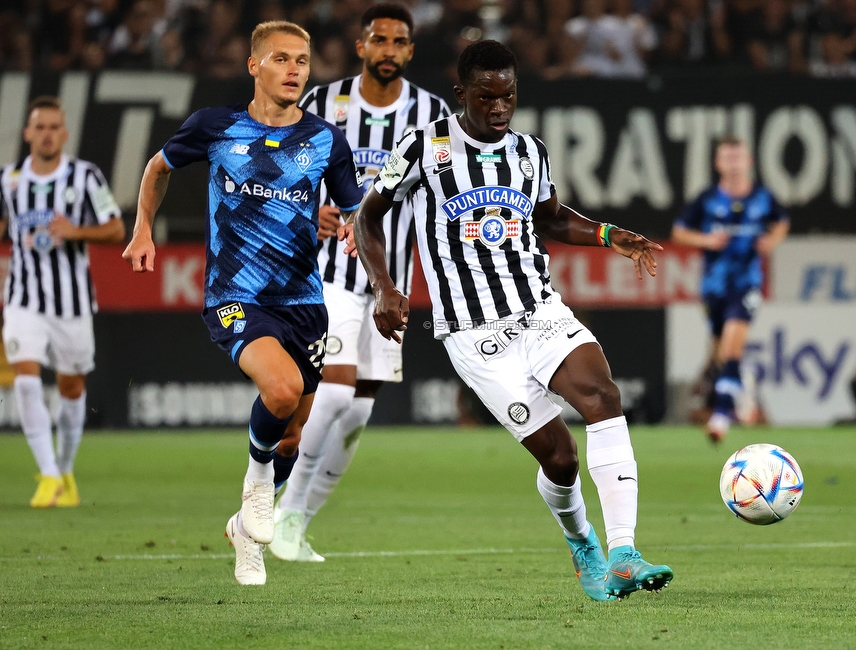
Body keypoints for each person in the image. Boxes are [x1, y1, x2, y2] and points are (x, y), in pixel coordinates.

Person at [353, 40, 672, 602]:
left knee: (603, 396)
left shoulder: (530, 152)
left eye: (509, 97)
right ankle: (583, 544)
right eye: (487, 98)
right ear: (462, 95)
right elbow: (368, 217)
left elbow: (550, 217)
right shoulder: (425, 149)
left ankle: (625, 552)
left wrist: (606, 234)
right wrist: (385, 287)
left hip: (540, 310)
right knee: (561, 457)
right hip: (474, 336)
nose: (500, 108)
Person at [122, 21, 363, 586]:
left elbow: (354, 208)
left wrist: (354, 228)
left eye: (302, 60)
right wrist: (142, 228)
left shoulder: (326, 139)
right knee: (278, 390)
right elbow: (158, 167)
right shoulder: (215, 126)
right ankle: (256, 489)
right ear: (254, 65)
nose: (295, 69)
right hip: (236, 295)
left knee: (296, 434)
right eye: (281, 59)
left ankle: (241, 529)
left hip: (304, 299)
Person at [270, 2, 451, 563]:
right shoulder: (323, 103)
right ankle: (273, 512)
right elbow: (275, 173)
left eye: (399, 42)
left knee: (358, 409)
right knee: (338, 388)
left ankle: (295, 521)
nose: (389, 51)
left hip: (391, 282)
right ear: (361, 46)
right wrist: (307, 211)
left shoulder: (432, 114)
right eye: (379, 40)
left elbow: (446, 194)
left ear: (410, 51)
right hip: (328, 273)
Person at [0, 96, 125, 509]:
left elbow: (116, 228)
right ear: (28, 133)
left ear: (64, 133)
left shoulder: (85, 177)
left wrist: (75, 232)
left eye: (55, 127)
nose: (48, 134)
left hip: (71, 304)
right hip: (23, 298)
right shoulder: (8, 180)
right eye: (41, 127)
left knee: (72, 388)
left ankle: (65, 470)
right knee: (25, 376)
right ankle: (48, 474)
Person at [671, 136, 789, 444]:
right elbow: (679, 232)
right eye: (728, 158)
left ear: (749, 161)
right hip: (714, 287)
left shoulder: (762, 198)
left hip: (747, 282)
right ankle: (742, 385)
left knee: (732, 345)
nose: (734, 164)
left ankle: (721, 418)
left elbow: (781, 223)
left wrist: (772, 241)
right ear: (718, 164)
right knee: (722, 354)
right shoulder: (708, 199)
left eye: (739, 157)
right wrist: (707, 241)